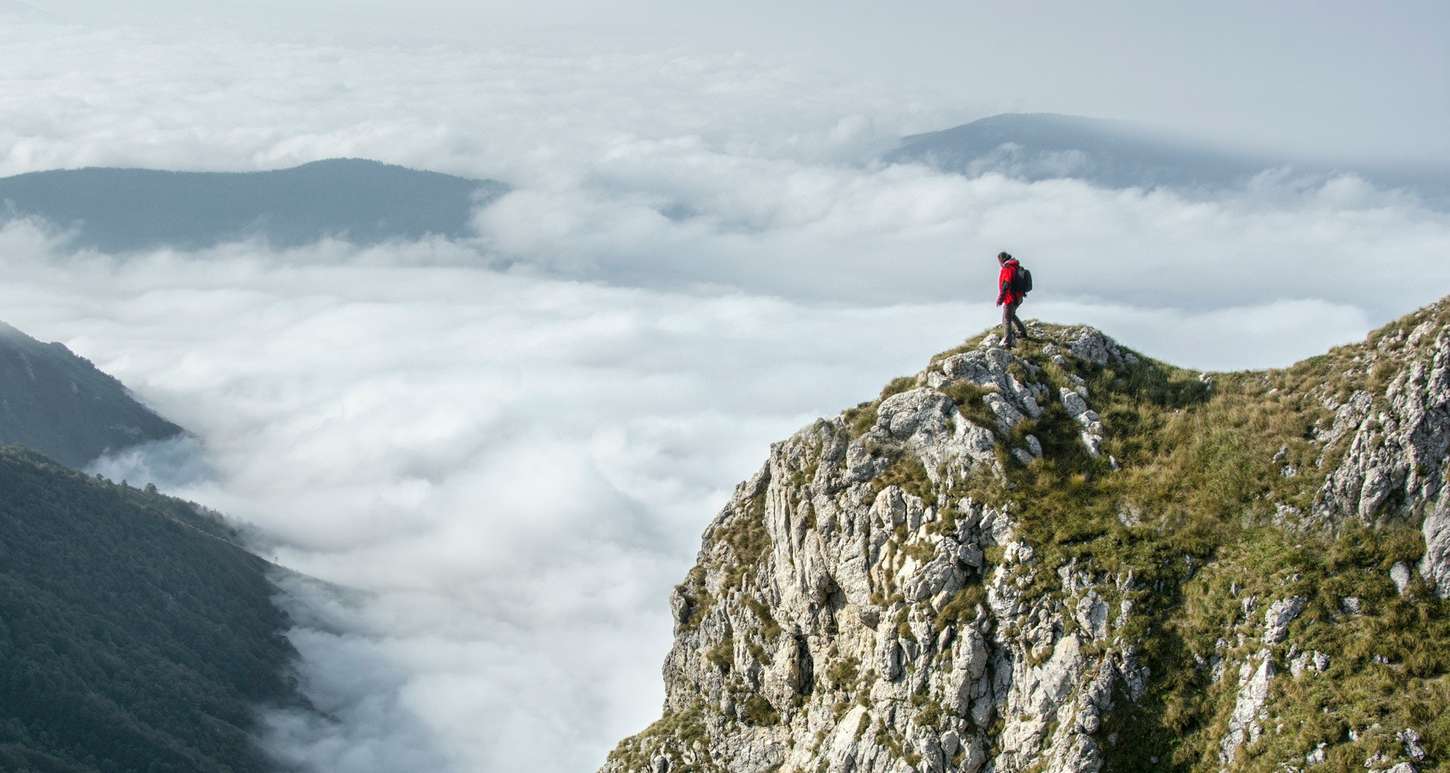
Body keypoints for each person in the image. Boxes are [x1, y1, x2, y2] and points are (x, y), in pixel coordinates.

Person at [995, 251, 1029, 348]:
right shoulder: (1015, 266)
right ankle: (1022, 332)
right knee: (1011, 315)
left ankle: (1007, 342)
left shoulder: (1007, 268)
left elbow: (1006, 284)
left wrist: (1000, 299)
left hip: (1010, 298)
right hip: (1019, 297)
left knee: (1006, 319)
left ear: (1001, 260)